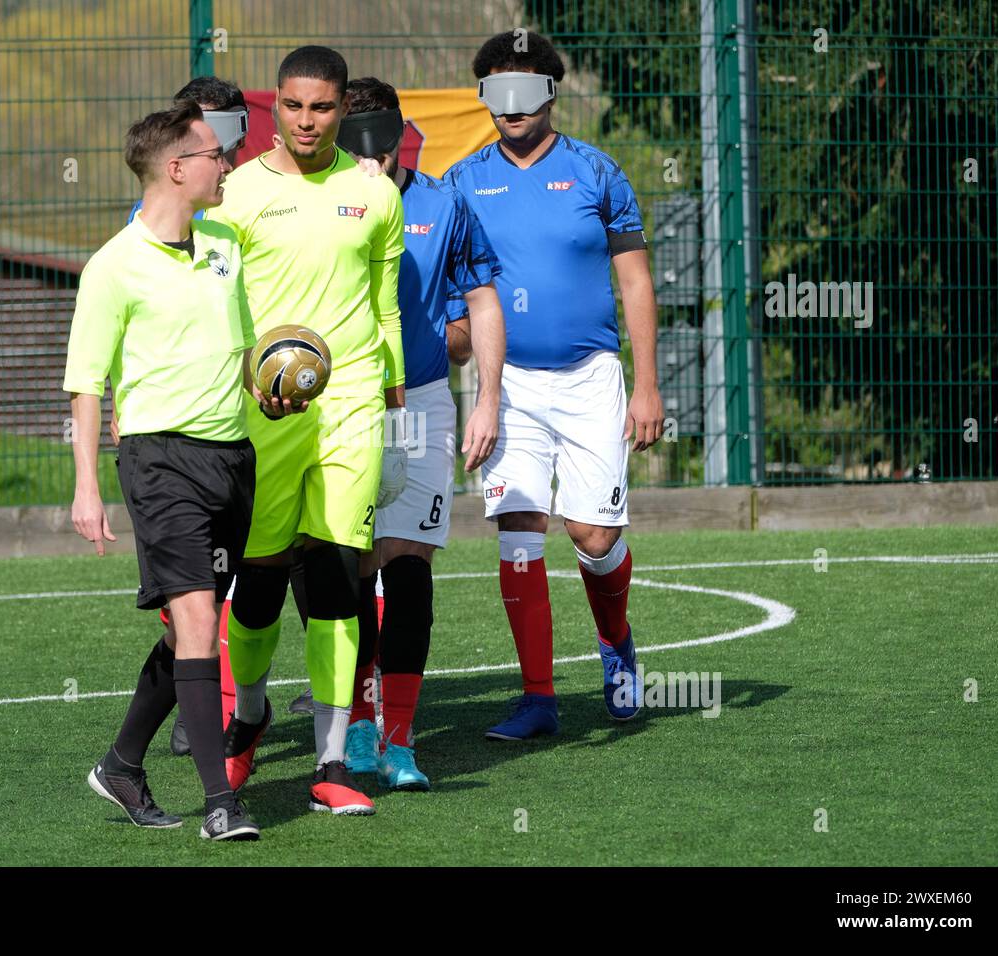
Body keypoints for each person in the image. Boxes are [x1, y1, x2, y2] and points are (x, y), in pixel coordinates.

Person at [65, 101, 297, 841]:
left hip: (233, 457)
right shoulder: (111, 267)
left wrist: (269, 388)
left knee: (187, 633)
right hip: (159, 459)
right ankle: (221, 804)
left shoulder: (225, 241)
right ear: (176, 168)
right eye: (212, 154)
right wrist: (86, 487)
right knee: (199, 622)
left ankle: (121, 764)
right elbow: (86, 384)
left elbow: (240, 349)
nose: (224, 164)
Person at [444, 31, 665, 738]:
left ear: (550, 92)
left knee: (595, 537)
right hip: (502, 386)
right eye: (496, 92)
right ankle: (538, 698)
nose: (511, 107)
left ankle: (616, 645)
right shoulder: (461, 181)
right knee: (519, 529)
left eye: (525, 90)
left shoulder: (598, 172)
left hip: (590, 378)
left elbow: (634, 279)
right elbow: (447, 285)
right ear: (483, 97)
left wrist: (648, 385)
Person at [205, 45, 406, 815]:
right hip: (262, 410)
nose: (308, 121)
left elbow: (384, 304)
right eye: (293, 106)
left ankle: (331, 763)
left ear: (344, 107)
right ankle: (248, 709)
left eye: (323, 107)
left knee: (331, 572)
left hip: (351, 401)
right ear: (274, 108)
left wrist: (392, 397)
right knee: (255, 582)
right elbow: (215, 308)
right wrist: (245, 384)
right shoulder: (235, 195)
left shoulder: (374, 195)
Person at [335, 77, 505, 789]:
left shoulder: (443, 203)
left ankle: (400, 741)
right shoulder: (321, 203)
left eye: (379, 130)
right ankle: (358, 721)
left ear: (403, 130)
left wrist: (488, 398)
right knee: (350, 566)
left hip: (421, 403)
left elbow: (483, 298)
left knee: (407, 561)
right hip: (339, 402)